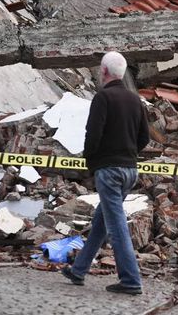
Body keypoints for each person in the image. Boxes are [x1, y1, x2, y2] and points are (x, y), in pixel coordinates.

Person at [61, 51, 149, 295]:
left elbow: (93, 134)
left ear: (104, 71)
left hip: (109, 171)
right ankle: (78, 270)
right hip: (130, 171)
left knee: (117, 226)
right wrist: (128, 154)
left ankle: (131, 280)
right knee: (102, 221)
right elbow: (144, 137)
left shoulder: (103, 98)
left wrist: (91, 162)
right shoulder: (136, 100)